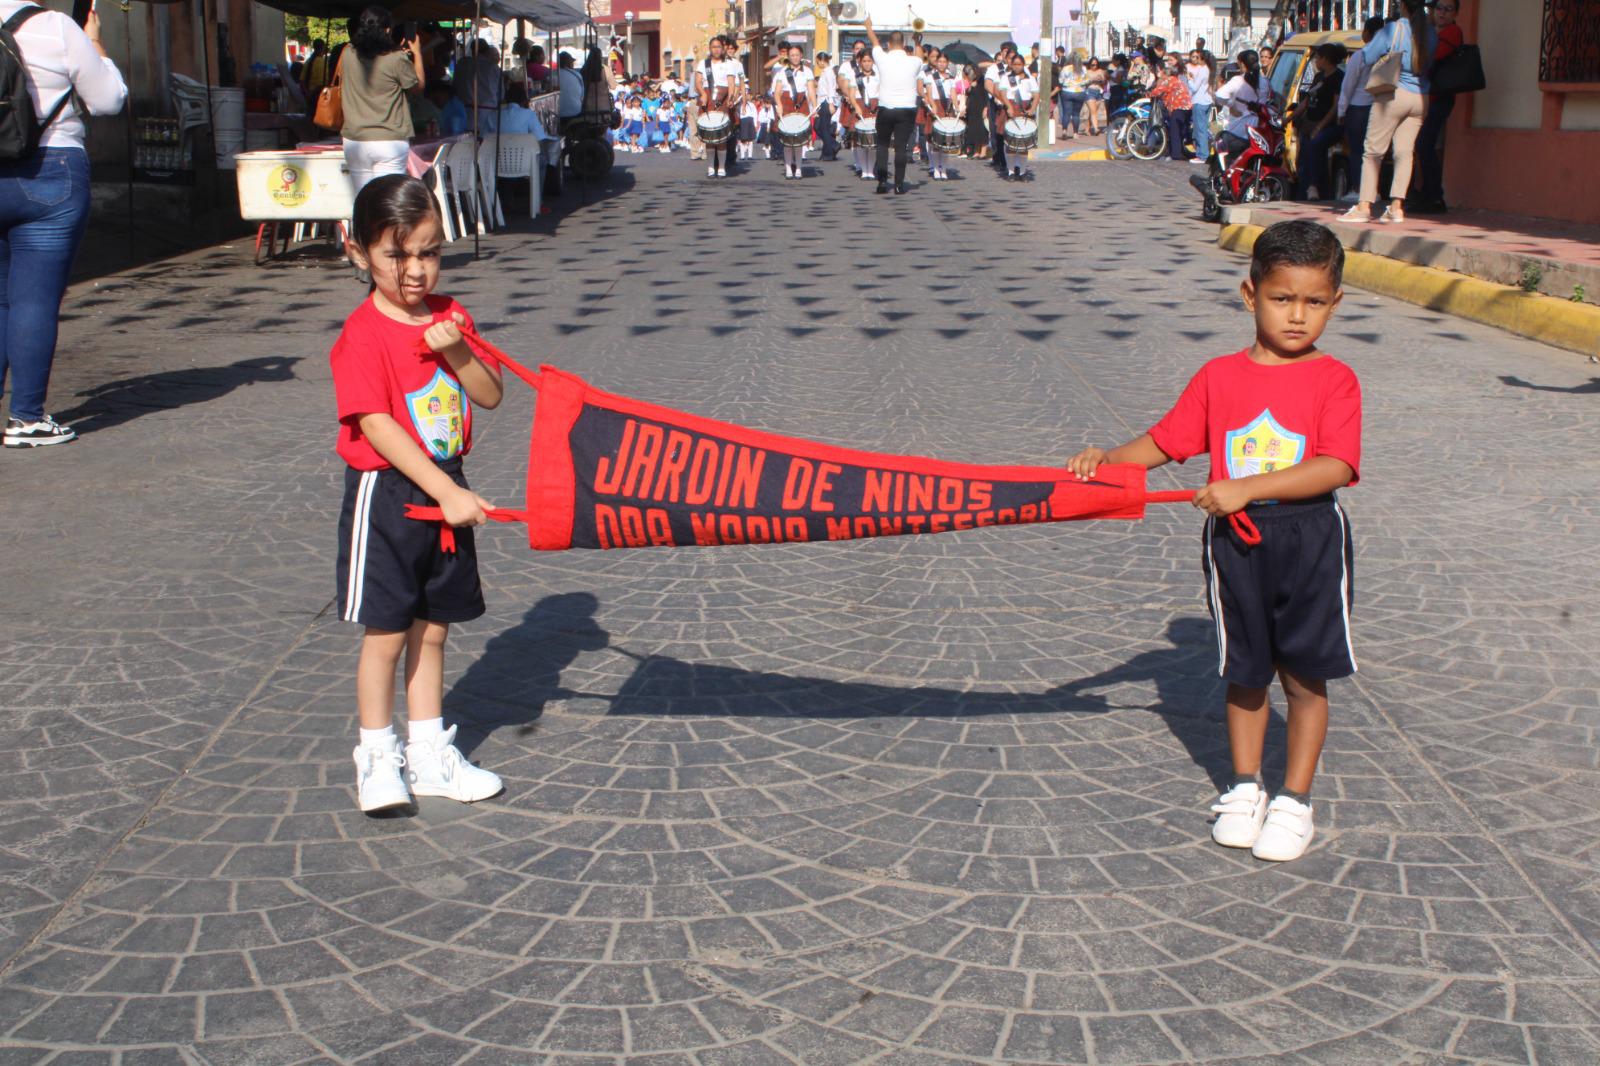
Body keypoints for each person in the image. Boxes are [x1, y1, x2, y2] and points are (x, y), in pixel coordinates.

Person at [1066, 220, 1361, 864]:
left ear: (1335, 303)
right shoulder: (1218, 377)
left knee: (1306, 675)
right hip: (1236, 543)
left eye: (1314, 302)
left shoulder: (1335, 379)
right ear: (1249, 294)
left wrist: (1247, 487)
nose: (1297, 316)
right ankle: (1246, 785)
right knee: (1245, 669)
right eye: (1283, 298)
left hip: (1309, 537)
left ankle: (1295, 799)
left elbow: (1336, 466)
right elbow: (1168, 441)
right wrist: (1110, 460)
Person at [332, 175, 507, 814]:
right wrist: (444, 494)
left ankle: (428, 753)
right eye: (395, 255)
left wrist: (458, 349)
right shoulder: (360, 336)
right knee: (386, 631)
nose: (414, 271)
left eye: (429, 252)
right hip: (389, 493)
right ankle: (377, 755)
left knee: (433, 630)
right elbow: (376, 427)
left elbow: (489, 394)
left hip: (446, 481)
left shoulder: (449, 315)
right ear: (358, 252)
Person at [0, 0, 126, 448]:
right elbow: (108, 101)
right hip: (50, 170)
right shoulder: (55, 27)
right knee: (33, 298)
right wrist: (95, 43)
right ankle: (26, 417)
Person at [1343, 0, 1436, 224]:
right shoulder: (1430, 32)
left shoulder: (1394, 29)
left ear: (1403, 5)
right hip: (1420, 97)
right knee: (1404, 153)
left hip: (1393, 94)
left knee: (1373, 151)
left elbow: (1367, 56)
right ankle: (1396, 207)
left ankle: (1364, 205)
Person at [339, 7, 425, 193]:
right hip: (389, 139)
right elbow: (418, 87)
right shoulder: (396, 58)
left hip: (355, 138)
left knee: (362, 199)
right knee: (387, 199)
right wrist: (417, 54)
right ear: (387, 29)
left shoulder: (347, 53)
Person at [1412, 0, 1462, 213]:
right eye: (1439, 8)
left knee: (1425, 144)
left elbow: (1431, 57)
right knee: (1424, 145)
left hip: (1440, 97)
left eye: (1448, 9)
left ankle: (1434, 195)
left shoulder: (1452, 32)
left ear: (1455, 13)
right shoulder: (1432, 31)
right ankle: (1426, 192)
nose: (1442, 13)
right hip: (1427, 96)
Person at [863, 17, 920, 195]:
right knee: (901, 147)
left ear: (889, 43)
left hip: (886, 108)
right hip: (907, 109)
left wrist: (868, 27)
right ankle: (899, 185)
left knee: (882, 145)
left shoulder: (882, 58)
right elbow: (919, 54)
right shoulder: (913, 61)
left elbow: (874, 41)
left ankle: (881, 182)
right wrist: (918, 40)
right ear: (903, 44)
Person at [1337, 17, 1385, 205]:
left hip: (1358, 107)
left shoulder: (1361, 55)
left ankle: (1359, 188)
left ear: (1367, 33)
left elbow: (1348, 86)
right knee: (1375, 151)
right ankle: (1375, 189)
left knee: (1357, 151)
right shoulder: (1387, 54)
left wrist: (1341, 111)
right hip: (1380, 106)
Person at [1292, 44, 1346, 200]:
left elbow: (1336, 106)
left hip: (1328, 125)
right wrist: (1288, 117)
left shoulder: (1338, 78)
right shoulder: (1318, 77)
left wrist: (1320, 126)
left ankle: (1314, 186)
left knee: (1316, 146)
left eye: (1317, 57)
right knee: (1304, 160)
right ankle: (1304, 194)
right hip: (1309, 123)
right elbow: (1306, 102)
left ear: (1325, 59)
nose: (1315, 61)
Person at [696, 35, 740, 178]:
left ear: (723, 48)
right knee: (709, 134)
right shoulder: (703, 63)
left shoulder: (729, 64)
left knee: (721, 135)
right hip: (708, 96)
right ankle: (710, 167)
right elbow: (698, 82)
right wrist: (702, 93)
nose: (716, 49)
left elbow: (731, 83)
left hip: (723, 96)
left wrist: (731, 98)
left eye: (719, 47)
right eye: (713, 47)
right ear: (710, 48)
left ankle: (721, 167)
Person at [1215, 49, 1266, 159]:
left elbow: (1219, 95)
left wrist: (1231, 105)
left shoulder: (1237, 81)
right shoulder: (1265, 82)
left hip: (1237, 130)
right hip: (1258, 131)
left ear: (1242, 64)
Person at [995, 51, 1038, 180]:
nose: (1017, 66)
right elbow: (1003, 93)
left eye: (1020, 64)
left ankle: (1023, 171)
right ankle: (1011, 171)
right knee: (1010, 143)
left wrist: (1032, 108)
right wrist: (1008, 106)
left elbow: (1036, 95)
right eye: (1015, 64)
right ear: (1011, 65)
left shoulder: (1030, 78)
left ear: (1024, 65)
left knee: (1024, 143)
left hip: (1024, 109)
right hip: (1010, 108)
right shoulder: (1006, 77)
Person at [774, 45, 815, 179]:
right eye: (792, 55)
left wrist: (814, 106)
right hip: (786, 102)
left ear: (801, 55)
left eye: (797, 55)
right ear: (788, 57)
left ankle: (798, 168)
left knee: (799, 139)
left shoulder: (807, 71)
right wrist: (779, 104)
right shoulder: (783, 71)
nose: (795, 57)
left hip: (801, 103)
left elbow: (811, 90)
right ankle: (788, 169)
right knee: (787, 140)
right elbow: (777, 91)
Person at [919, 51, 960, 181]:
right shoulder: (930, 77)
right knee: (935, 142)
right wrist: (933, 106)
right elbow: (929, 93)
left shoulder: (951, 78)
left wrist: (957, 107)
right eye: (939, 62)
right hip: (936, 106)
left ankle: (944, 169)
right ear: (936, 63)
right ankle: (936, 169)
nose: (942, 64)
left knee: (946, 142)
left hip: (947, 108)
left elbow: (953, 94)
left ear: (947, 63)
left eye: (944, 62)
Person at [842, 49, 879, 181]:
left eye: (869, 61)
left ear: (873, 62)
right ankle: (864, 170)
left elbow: (881, 91)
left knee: (874, 141)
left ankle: (871, 169)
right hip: (860, 106)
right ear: (860, 62)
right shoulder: (854, 76)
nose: (867, 63)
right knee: (860, 141)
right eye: (864, 61)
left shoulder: (878, 75)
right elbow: (851, 94)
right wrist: (856, 106)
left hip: (875, 107)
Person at [1151, 54, 1193, 162]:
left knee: (1174, 131)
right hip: (1187, 107)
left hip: (1177, 107)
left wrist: (1148, 94)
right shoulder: (1178, 80)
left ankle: (1176, 154)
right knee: (1180, 130)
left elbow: (1157, 91)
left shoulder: (1169, 80)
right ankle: (1180, 151)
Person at [984, 42, 1017, 171]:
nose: (1005, 54)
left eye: (1009, 51)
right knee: (996, 131)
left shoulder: (1019, 69)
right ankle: (998, 157)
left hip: (1013, 103)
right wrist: (999, 98)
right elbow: (988, 85)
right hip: (996, 103)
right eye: (1004, 51)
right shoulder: (995, 68)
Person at [1187, 49, 1216, 163]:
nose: (1196, 60)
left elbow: (1194, 87)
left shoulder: (1203, 70)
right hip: (1206, 101)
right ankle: (1203, 153)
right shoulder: (1208, 70)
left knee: (1200, 129)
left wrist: (1189, 79)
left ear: (1203, 59)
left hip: (1200, 101)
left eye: (1198, 58)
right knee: (1203, 127)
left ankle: (1202, 155)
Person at [813, 51, 841, 161]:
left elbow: (831, 89)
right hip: (821, 102)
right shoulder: (825, 72)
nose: (817, 64)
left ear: (822, 61)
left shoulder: (829, 72)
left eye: (817, 62)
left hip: (826, 101)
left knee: (823, 127)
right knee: (818, 127)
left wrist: (830, 104)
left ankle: (832, 147)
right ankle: (831, 147)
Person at [1058, 53, 1088, 139]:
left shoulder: (1065, 68)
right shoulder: (1083, 69)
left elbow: (1060, 80)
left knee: (1066, 113)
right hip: (1079, 92)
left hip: (1067, 92)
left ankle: (1064, 131)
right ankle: (1075, 133)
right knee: (1076, 114)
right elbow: (1087, 80)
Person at [961, 63, 988, 158]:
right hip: (972, 108)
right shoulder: (972, 82)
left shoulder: (982, 79)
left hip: (981, 106)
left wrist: (986, 107)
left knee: (982, 129)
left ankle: (983, 151)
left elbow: (985, 94)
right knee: (974, 129)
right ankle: (976, 151)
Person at [1083, 57, 1107, 135]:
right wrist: (1092, 80)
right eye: (1093, 65)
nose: (1095, 66)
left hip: (1098, 92)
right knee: (1093, 112)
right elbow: (1083, 83)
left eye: (1096, 65)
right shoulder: (1087, 72)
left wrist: (1102, 79)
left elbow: (1104, 82)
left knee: (1092, 112)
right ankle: (1096, 129)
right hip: (1090, 91)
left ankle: (1087, 129)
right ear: (1089, 65)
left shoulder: (1100, 71)